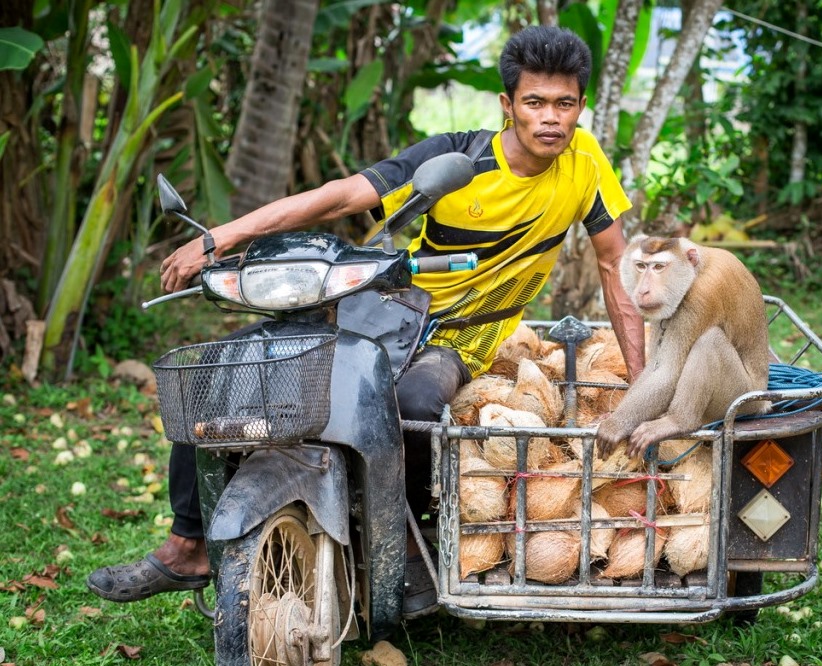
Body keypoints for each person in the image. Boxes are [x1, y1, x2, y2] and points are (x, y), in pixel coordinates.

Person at [87, 24, 645, 616]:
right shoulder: (457, 158)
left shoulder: (585, 164)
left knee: (412, 403)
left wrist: (640, 385)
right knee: (225, 368)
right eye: (535, 102)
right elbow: (339, 197)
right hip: (385, 309)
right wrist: (223, 235)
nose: (551, 118)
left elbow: (615, 267)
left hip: (460, 333)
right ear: (508, 106)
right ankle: (187, 545)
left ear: (581, 107)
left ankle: (408, 539)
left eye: (564, 104)